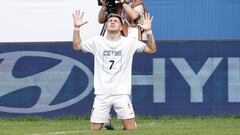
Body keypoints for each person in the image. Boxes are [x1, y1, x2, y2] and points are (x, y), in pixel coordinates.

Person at [72, 10, 156, 130]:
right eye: (110, 20)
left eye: (115, 21)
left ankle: (116, 121)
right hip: (102, 93)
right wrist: (76, 28)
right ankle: (105, 120)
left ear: (121, 27)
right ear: (106, 25)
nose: (112, 22)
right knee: (94, 130)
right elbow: (76, 46)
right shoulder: (97, 41)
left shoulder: (129, 42)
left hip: (121, 93)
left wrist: (148, 31)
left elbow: (152, 49)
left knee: (131, 129)